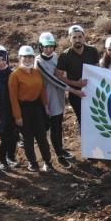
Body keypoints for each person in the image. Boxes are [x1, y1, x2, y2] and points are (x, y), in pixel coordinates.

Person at [10, 45, 54, 172]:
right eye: (25, 57)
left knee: (42, 136)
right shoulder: (15, 75)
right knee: (28, 138)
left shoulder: (36, 72)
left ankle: (48, 161)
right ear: (20, 58)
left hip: (37, 108)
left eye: (30, 57)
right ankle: (33, 162)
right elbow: (13, 98)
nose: (28, 59)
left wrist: (46, 106)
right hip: (24, 110)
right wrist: (18, 116)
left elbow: (42, 90)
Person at [34, 32, 75, 166]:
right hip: (48, 98)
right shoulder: (38, 61)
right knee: (53, 126)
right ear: (40, 47)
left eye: (51, 46)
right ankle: (58, 154)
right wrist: (71, 89)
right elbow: (52, 79)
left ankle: (61, 149)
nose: (48, 49)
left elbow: (62, 73)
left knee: (58, 125)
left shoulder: (56, 57)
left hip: (59, 96)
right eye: (45, 46)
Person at [57, 25, 100, 125]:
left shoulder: (92, 51)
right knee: (83, 121)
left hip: (93, 92)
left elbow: (97, 70)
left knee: (95, 120)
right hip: (76, 94)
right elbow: (58, 75)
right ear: (70, 39)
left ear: (84, 37)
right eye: (74, 37)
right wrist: (76, 83)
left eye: (80, 37)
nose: (77, 40)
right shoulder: (65, 56)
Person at [0, 45, 20, 170]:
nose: (1, 63)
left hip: (12, 111)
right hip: (0, 113)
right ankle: (2, 159)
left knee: (14, 136)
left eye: (3, 60)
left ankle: (11, 157)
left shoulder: (12, 74)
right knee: (5, 138)